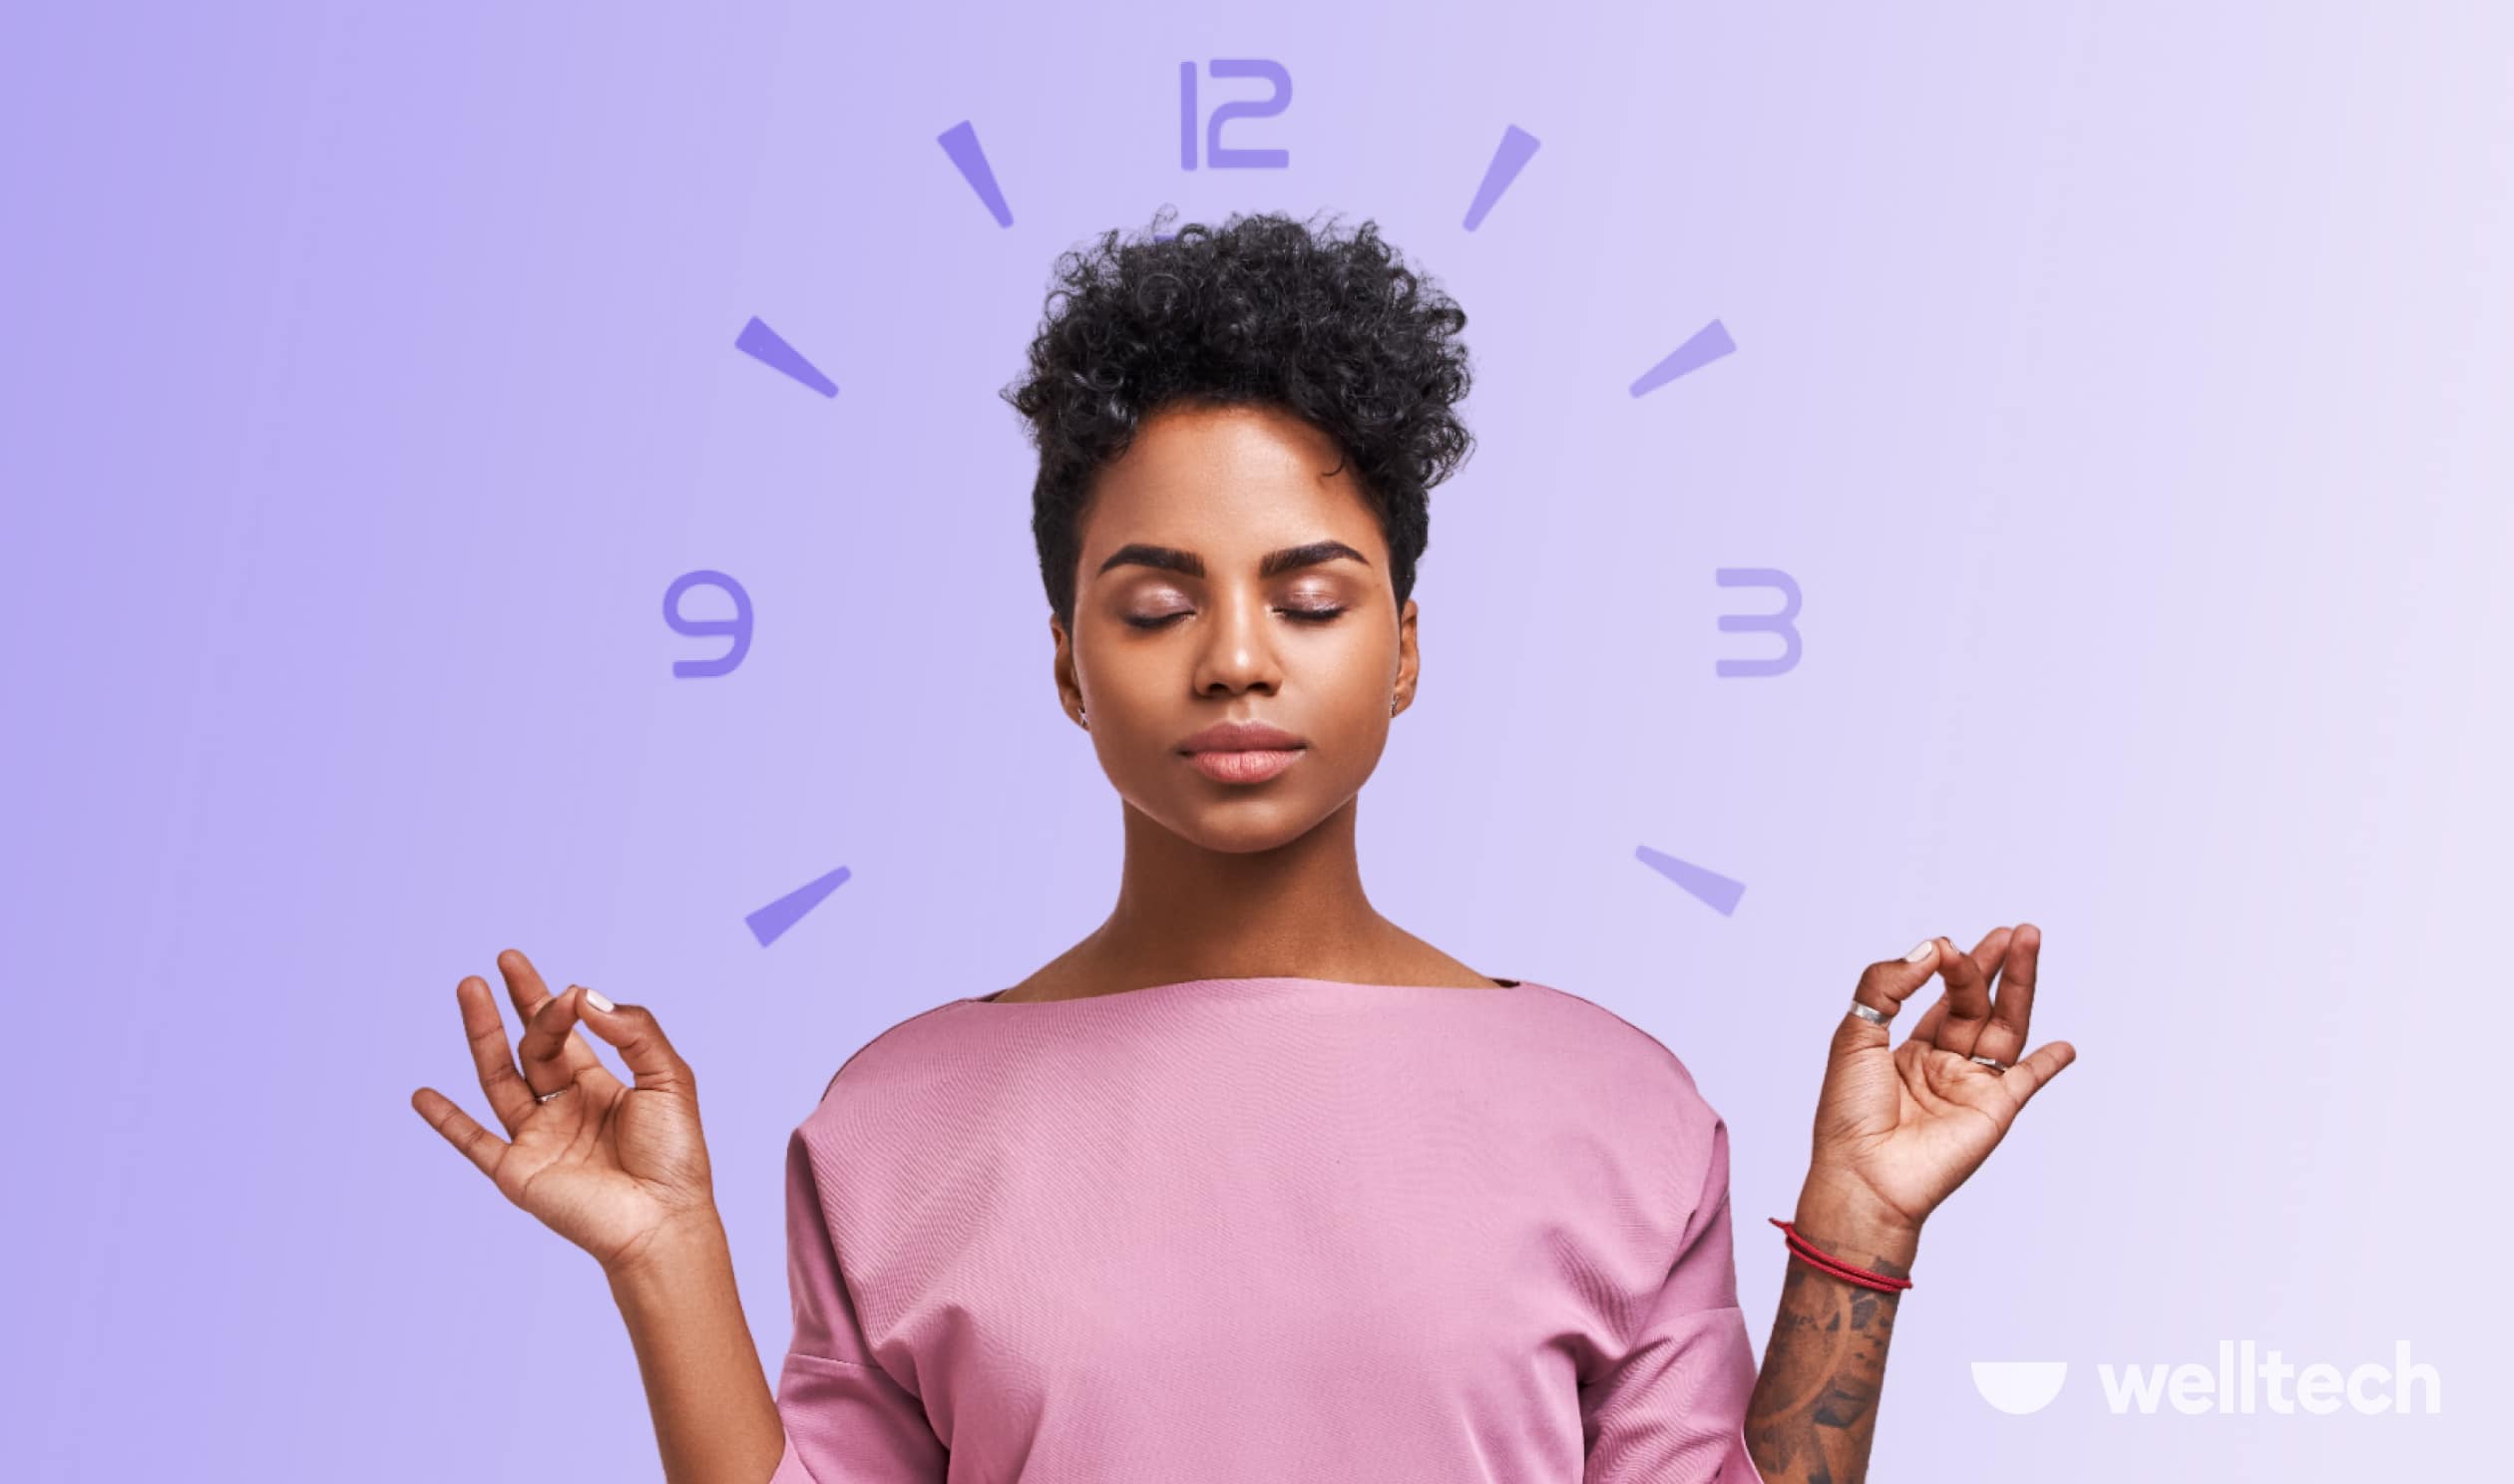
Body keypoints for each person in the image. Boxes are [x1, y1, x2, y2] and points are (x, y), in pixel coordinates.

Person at [412, 207, 2077, 1483]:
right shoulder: (895, 1124)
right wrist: (666, 1254)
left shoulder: (1619, 1107)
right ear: (1068, 660)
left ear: (1405, 647)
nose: (1236, 658)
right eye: (1155, 603)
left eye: (1308, 595)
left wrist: (1860, 1217)